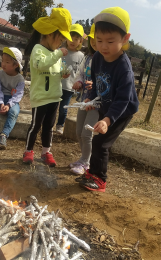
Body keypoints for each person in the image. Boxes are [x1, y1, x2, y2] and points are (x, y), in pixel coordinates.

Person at [77, 7, 139, 192]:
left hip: (121, 111)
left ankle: (100, 180)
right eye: (99, 40)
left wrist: (107, 119)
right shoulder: (97, 58)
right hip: (106, 105)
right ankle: (92, 173)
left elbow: (123, 99)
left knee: (101, 143)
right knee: (97, 140)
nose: (103, 46)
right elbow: (95, 83)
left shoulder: (124, 68)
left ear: (125, 39)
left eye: (110, 41)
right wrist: (91, 100)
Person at [22, 8, 72, 167]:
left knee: (49, 127)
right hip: (41, 97)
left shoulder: (55, 53)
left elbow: (55, 69)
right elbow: (40, 65)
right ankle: (28, 151)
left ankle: (46, 152)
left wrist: (63, 73)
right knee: (35, 125)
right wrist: (57, 54)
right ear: (50, 33)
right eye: (60, 39)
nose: (61, 43)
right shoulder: (38, 50)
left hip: (54, 96)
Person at [69, 31, 99, 175]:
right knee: (79, 131)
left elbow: (107, 81)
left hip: (96, 103)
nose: (94, 42)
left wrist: (95, 86)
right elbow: (80, 73)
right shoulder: (87, 57)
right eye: (92, 39)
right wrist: (79, 82)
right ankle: (83, 158)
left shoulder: (105, 60)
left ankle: (86, 163)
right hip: (83, 99)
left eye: (97, 39)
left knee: (87, 133)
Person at [56, 24, 85, 134]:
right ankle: (48, 124)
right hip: (56, 84)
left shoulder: (81, 56)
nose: (73, 41)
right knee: (52, 107)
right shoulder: (61, 51)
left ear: (80, 41)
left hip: (68, 87)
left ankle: (60, 125)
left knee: (63, 108)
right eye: (71, 38)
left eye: (76, 39)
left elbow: (81, 72)